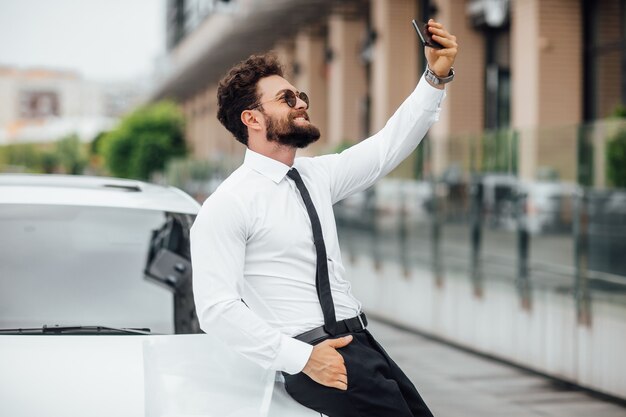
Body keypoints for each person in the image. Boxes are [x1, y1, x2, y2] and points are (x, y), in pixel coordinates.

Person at [191, 19, 458, 417]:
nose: (301, 102)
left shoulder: (316, 175)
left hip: (362, 345)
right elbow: (217, 309)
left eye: (300, 94)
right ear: (253, 120)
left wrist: (434, 78)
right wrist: (300, 358)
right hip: (317, 357)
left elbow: (387, 147)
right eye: (286, 98)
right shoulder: (229, 203)